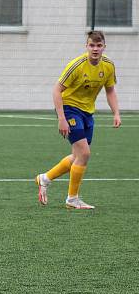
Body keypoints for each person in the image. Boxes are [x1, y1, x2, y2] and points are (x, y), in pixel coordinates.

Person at [35, 30, 120, 209]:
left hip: (87, 113)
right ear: (86, 46)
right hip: (69, 109)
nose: (95, 49)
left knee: (77, 156)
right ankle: (72, 199)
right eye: (92, 45)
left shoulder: (108, 66)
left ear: (104, 47)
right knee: (85, 154)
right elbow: (56, 90)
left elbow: (110, 90)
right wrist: (61, 118)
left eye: (99, 45)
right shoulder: (77, 65)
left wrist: (116, 113)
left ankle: (45, 178)